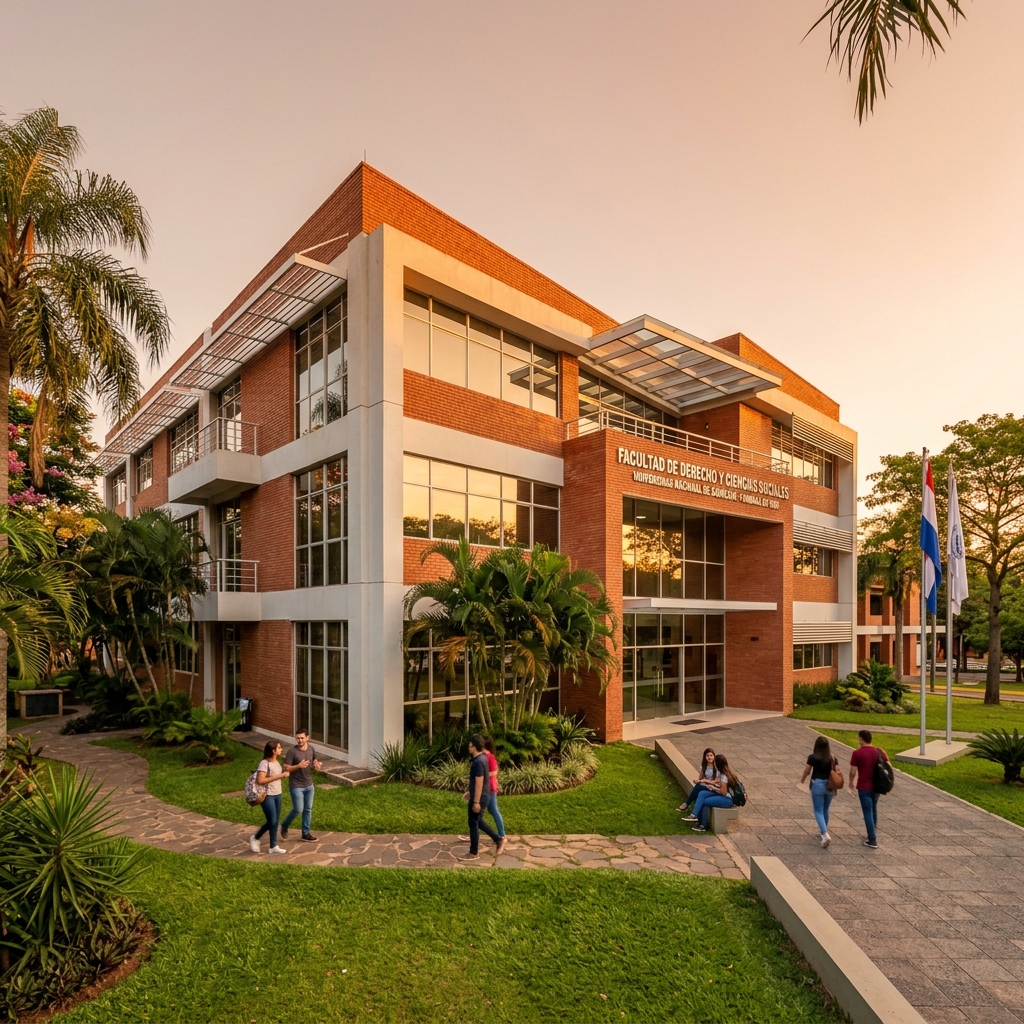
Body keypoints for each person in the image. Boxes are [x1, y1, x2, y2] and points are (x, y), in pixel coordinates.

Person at [250, 740, 303, 854]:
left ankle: (273, 846)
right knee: (272, 821)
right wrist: (280, 775)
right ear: (273, 751)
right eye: (279, 748)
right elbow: (261, 780)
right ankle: (255, 838)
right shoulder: (264, 763)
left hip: (277, 794)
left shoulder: (277, 762)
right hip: (267, 795)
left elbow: (278, 775)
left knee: (275, 821)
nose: (281, 749)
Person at [462, 734, 505, 860]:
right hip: (484, 795)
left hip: (480, 798)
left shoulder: (478, 762)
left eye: (470, 746)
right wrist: (470, 791)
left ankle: (473, 853)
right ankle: (498, 839)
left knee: (473, 823)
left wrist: (476, 802)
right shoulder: (483, 758)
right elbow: (481, 781)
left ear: (474, 747)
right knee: (478, 821)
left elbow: (480, 782)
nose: (469, 748)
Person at [849, 729, 889, 849]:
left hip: (864, 787)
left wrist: (851, 783)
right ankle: (872, 832)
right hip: (877, 786)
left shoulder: (857, 753)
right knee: (873, 808)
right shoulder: (880, 751)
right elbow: (889, 766)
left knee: (867, 811)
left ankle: (872, 839)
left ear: (861, 739)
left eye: (859, 738)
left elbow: (853, 771)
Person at [281, 728, 323, 842]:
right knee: (298, 809)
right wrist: (298, 766)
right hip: (296, 785)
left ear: (307, 738)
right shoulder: (292, 752)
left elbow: (315, 761)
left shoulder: (311, 749)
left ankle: (306, 833)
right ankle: (284, 825)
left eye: (302, 738)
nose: (299, 740)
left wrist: (317, 765)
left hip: (309, 785)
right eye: (298, 738)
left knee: (307, 809)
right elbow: (286, 768)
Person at [800, 735, 840, 848]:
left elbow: (807, 770)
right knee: (825, 809)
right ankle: (824, 831)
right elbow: (836, 773)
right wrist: (836, 789)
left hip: (817, 785)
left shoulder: (813, 757)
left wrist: (802, 780)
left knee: (818, 810)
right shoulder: (832, 758)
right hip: (830, 786)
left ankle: (824, 834)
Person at [685, 754, 739, 832]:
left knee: (704, 801)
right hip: (720, 794)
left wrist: (713, 787)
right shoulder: (720, 773)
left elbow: (723, 792)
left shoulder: (724, 776)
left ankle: (702, 825)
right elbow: (720, 786)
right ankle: (695, 815)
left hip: (727, 799)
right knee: (702, 793)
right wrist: (712, 784)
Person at [678, 747, 719, 812]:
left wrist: (705, 780)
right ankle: (696, 815)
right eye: (707, 756)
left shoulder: (717, 767)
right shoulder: (703, 766)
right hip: (705, 785)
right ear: (705, 757)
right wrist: (698, 781)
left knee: (699, 787)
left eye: (711, 755)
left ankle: (686, 804)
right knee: (699, 788)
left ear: (714, 756)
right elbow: (700, 778)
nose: (709, 757)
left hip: (714, 787)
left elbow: (716, 782)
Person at [482, 737, 506, 844]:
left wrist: (481, 776)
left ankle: (502, 834)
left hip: (489, 788)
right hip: (487, 787)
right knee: (487, 812)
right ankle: (473, 833)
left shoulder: (489, 756)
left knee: (493, 811)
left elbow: (494, 772)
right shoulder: (484, 756)